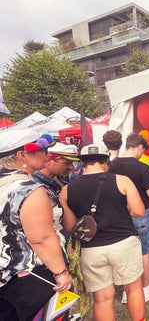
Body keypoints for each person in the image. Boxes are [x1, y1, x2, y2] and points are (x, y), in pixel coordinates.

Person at [59, 143, 146, 321]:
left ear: (82, 163)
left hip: (91, 250)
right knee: (133, 289)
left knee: (102, 299)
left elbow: (70, 227)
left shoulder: (66, 190)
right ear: (106, 161)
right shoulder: (121, 180)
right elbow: (138, 211)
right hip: (124, 244)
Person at [0, 129, 73, 320]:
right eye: (42, 149)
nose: (47, 154)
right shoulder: (29, 190)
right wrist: (61, 273)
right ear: (22, 155)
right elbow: (41, 238)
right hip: (32, 275)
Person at [108, 133, 149, 304]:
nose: (142, 154)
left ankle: (128, 290)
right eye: (142, 150)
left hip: (118, 214)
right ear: (139, 147)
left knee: (124, 252)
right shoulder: (142, 168)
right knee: (144, 251)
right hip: (140, 214)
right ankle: (146, 288)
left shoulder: (111, 166)